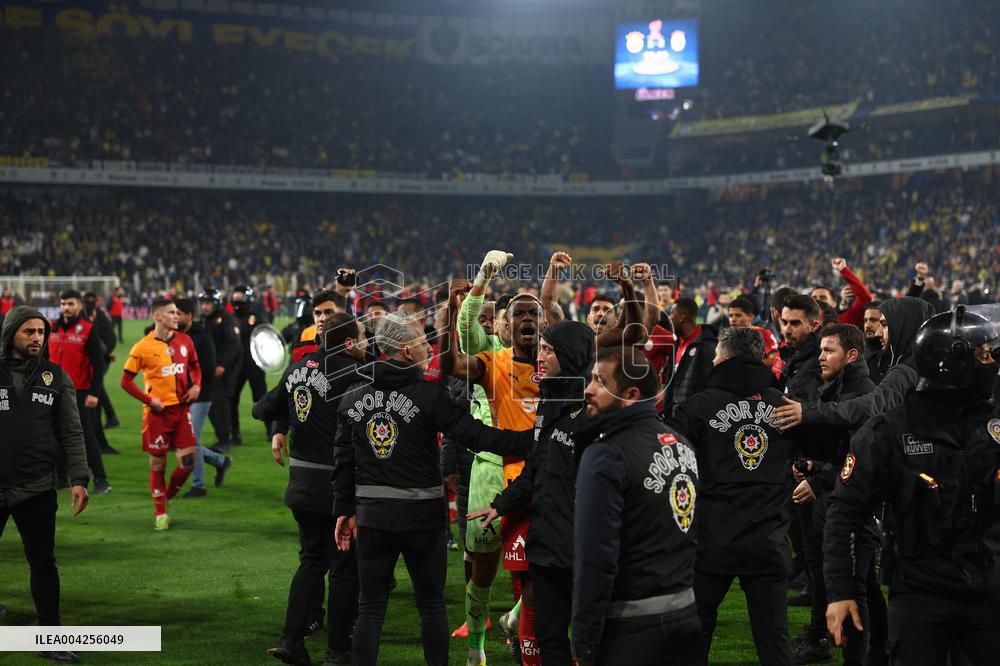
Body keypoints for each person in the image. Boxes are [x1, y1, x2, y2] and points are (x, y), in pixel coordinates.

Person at [333, 311, 532, 666]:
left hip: (373, 517)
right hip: (422, 519)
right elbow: (475, 435)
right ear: (408, 351)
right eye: (423, 341)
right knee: (430, 606)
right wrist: (533, 440)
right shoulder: (430, 395)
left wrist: (344, 510)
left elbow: (344, 462)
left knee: (371, 608)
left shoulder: (352, 396)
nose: (429, 346)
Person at [824, 306, 1000, 664]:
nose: (992, 363)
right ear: (952, 361)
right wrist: (841, 590)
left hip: (990, 591)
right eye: (985, 354)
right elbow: (845, 512)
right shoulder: (889, 430)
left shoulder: (994, 424)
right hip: (920, 594)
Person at [467, 320, 595, 666]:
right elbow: (536, 467)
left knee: (589, 640)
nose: (540, 356)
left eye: (549, 350)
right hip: (548, 541)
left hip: (585, 545)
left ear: (569, 354)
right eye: (541, 348)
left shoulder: (594, 409)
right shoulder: (550, 400)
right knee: (550, 634)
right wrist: (501, 504)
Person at [667, 326, 796, 666]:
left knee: (694, 635)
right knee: (774, 641)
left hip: (712, 541)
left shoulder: (698, 407)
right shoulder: (788, 407)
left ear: (724, 357)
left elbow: (671, 465)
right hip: (768, 541)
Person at [444, 251, 545, 666]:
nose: (519, 321)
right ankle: (476, 650)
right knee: (483, 569)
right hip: (489, 470)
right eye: (512, 315)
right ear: (501, 322)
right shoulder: (491, 358)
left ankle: (523, 628)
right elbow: (465, 333)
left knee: (545, 564)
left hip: (543, 475)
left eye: (530, 314)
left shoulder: (555, 360)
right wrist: (483, 276)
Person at [572, 345, 701, 666]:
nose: (588, 389)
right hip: (686, 615)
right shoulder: (682, 445)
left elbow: (596, 558)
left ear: (630, 394)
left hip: (633, 629)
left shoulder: (606, 454)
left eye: (600, 382)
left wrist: (584, 642)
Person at [254, 313, 367, 666]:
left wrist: (285, 412)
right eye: (362, 337)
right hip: (337, 488)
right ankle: (337, 653)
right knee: (344, 570)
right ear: (348, 343)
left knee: (311, 562)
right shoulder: (356, 373)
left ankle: (292, 640)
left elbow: (262, 409)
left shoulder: (297, 368)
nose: (366, 343)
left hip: (300, 485)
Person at [0, 307, 90, 665]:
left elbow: (71, 431)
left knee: (43, 564)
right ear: (10, 335)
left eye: (41, 331)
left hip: (37, 487)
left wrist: (80, 478)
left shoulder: (56, 377)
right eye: (29, 332)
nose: (37, 337)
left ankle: (51, 636)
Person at [789, 324, 879, 665]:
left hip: (849, 503)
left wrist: (820, 480)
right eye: (821, 350)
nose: (821, 357)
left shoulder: (863, 390)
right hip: (833, 496)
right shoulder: (839, 384)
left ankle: (859, 656)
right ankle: (873, 647)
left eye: (829, 351)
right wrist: (811, 465)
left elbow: (855, 453)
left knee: (856, 588)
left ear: (851, 355)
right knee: (860, 584)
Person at [772, 297, 936, 433]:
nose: (878, 332)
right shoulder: (930, 365)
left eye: (885, 325)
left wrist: (808, 413)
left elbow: (871, 406)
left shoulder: (906, 370)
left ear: (903, 326)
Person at [120, 298, 201, 531]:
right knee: (158, 465)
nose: (177, 316)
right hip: (157, 414)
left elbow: (195, 366)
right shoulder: (142, 347)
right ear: (157, 317)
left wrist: (196, 386)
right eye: (171, 313)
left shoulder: (185, 341)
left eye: (177, 313)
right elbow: (125, 382)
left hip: (181, 409)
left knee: (188, 462)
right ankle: (160, 513)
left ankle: (164, 497)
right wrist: (149, 401)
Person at [47, 289, 110, 494]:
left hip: (80, 392)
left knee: (85, 436)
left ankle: (101, 479)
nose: (66, 307)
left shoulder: (89, 329)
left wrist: (94, 393)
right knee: (53, 434)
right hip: (54, 390)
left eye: (71, 303)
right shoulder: (52, 328)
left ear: (80, 306)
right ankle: (62, 479)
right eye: (63, 303)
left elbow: (98, 365)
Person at [174, 298, 231, 498]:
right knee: (183, 441)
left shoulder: (202, 336)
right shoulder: (173, 335)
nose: (174, 317)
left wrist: (191, 384)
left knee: (190, 440)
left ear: (189, 316)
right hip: (178, 396)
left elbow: (207, 369)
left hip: (200, 395)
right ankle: (220, 461)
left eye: (178, 314)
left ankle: (198, 485)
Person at [198, 288, 241, 452]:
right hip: (211, 369)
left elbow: (233, 345)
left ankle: (224, 440)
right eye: (203, 303)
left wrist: (222, 364)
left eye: (207, 303)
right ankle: (225, 437)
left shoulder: (226, 320)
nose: (204, 307)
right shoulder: (204, 320)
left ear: (216, 303)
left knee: (221, 404)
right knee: (211, 404)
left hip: (225, 370)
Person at [662, 297, 717, 418]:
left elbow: (710, 387)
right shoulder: (676, 344)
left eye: (672, 314)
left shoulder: (707, 345)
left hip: (695, 420)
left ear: (682, 317)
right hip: (674, 417)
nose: (669, 319)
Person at [229, 285, 270, 445]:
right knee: (232, 399)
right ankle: (235, 434)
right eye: (235, 300)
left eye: (240, 299)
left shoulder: (257, 316)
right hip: (236, 365)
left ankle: (271, 431)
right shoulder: (229, 318)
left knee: (262, 399)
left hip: (254, 363)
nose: (237, 302)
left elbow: (266, 334)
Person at [778, 294, 824, 400]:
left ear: (814, 326)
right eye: (784, 322)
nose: (787, 330)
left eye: (795, 324)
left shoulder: (820, 362)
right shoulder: (793, 352)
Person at [809, 258, 872, 328]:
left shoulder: (843, 322)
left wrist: (844, 270)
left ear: (834, 303)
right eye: (814, 298)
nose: (818, 300)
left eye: (823, 297)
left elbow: (865, 298)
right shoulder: (800, 323)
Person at [862, 301, 884, 383]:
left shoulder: (892, 355)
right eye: (865, 320)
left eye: (873, 320)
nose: (867, 325)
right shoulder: (858, 352)